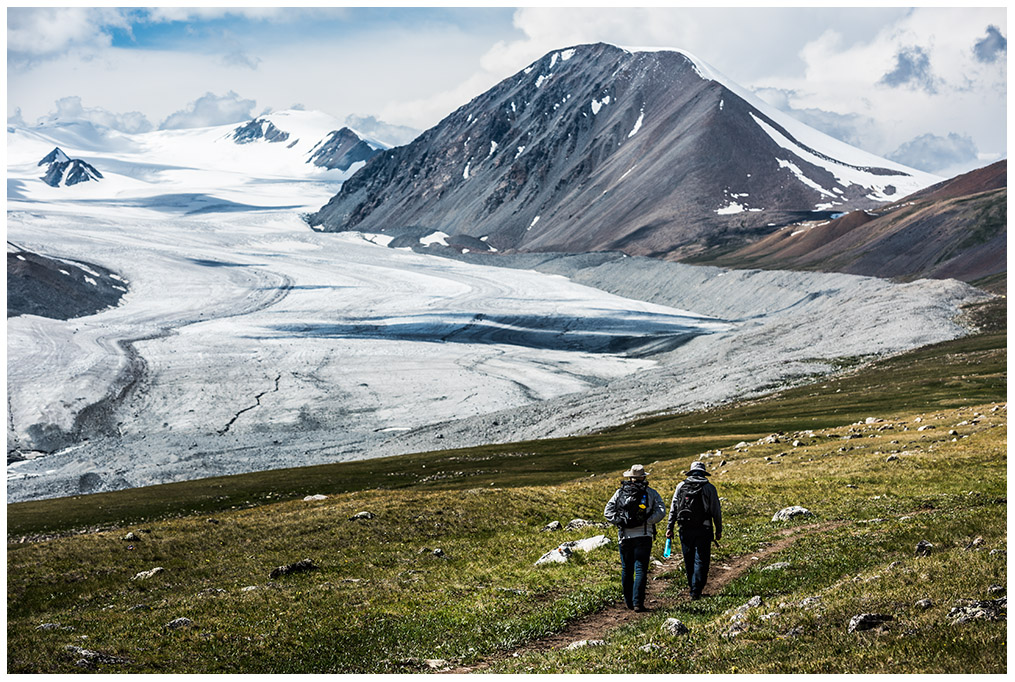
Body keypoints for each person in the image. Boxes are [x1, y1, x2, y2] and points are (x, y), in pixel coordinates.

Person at [604, 464, 666, 612]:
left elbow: (607, 512)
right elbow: (661, 511)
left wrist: (621, 521)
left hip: (624, 536)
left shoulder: (620, 492)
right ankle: (638, 602)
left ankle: (628, 602)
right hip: (644, 535)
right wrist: (647, 521)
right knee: (640, 569)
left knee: (627, 569)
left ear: (630, 478)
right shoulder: (651, 493)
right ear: (644, 477)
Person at [666, 461, 722, 601]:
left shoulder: (681, 486)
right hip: (704, 527)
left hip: (684, 528)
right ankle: (696, 589)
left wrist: (670, 527)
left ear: (690, 473)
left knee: (688, 558)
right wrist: (718, 529)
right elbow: (716, 510)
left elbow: (674, 507)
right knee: (701, 559)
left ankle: (692, 587)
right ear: (703, 473)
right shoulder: (709, 487)